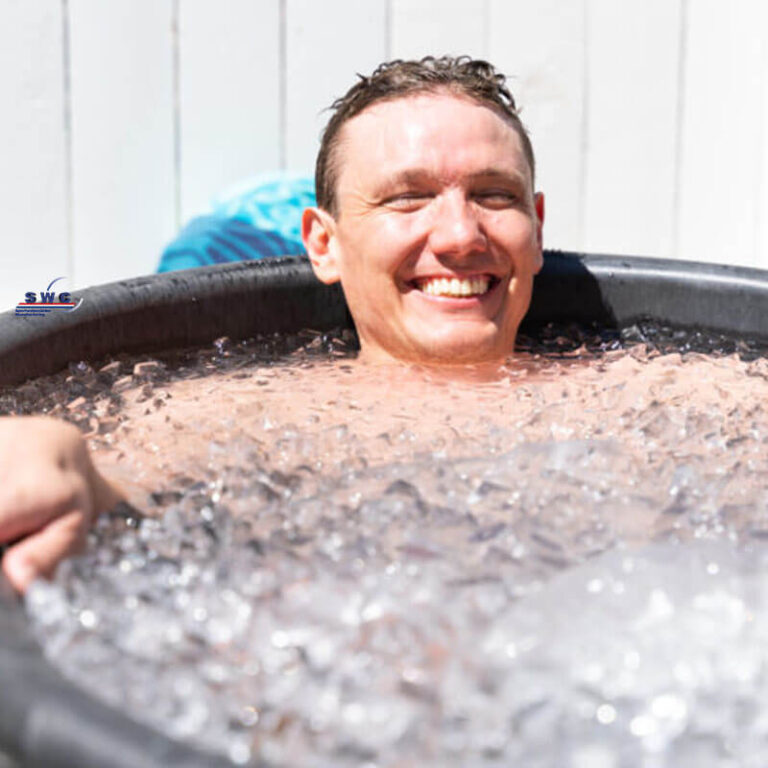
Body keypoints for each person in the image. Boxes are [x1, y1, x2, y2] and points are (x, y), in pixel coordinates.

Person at [0, 55, 544, 593]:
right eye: (407, 199)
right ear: (324, 245)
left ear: (536, 227)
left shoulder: (626, 384)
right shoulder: (236, 416)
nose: (460, 235)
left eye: (496, 195)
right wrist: (59, 456)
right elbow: (116, 491)